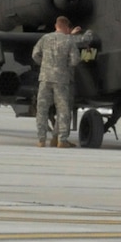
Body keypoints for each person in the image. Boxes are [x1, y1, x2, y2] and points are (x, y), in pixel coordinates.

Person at [30, 15, 87, 148]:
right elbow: (75, 60)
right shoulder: (69, 41)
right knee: (63, 110)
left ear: (56, 26)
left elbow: (35, 55)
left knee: (42, 110)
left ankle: (41, 139)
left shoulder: (45, 38)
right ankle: (62, 140)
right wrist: (64, 66)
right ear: (67, 27)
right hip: (61, 80)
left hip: (45, 78)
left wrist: (44, 65)